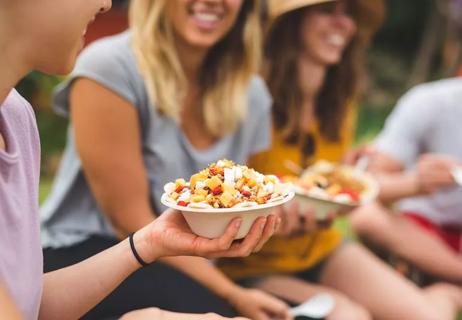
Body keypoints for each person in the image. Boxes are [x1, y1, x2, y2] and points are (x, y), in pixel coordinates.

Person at [0, 0, 278, 319]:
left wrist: (149, 242)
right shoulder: (110, 65)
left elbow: (32, 305)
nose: (107, 4)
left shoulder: (17, 116)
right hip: (83, 247)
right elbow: (126, 217)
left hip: (142, 256)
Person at [218, 1, 462, 319]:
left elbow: (330, 183)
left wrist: (344, 176)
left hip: (321, 246)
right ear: (292, 22)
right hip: (252, 261)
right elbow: (222, 195)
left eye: (348, 14)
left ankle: (445, 294)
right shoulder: (247, 96)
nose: (342, 23)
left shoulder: (339, 101)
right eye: (327, 10)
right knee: (352, 316)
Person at [348, 77, 462, 284]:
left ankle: (428, 274)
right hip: (418, 230)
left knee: (443, 300)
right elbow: (366, 183)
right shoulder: (431, 102)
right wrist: (417, 183)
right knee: (365, 215)